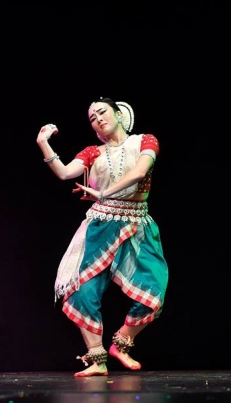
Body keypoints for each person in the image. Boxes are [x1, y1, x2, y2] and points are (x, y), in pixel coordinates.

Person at [36, 98, 169, 377]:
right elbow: (65, 172)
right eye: (92, 117)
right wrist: (43, 143)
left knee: (153, 291)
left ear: (119, 114)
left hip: (137, 225)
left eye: (102, 112)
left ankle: (122, 343)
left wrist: (103, 192)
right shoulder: (92, 152)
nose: (97, 118)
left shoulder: (145, 141)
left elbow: (140, 171)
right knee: (83, 291)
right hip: (100, 226)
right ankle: (97, 359)